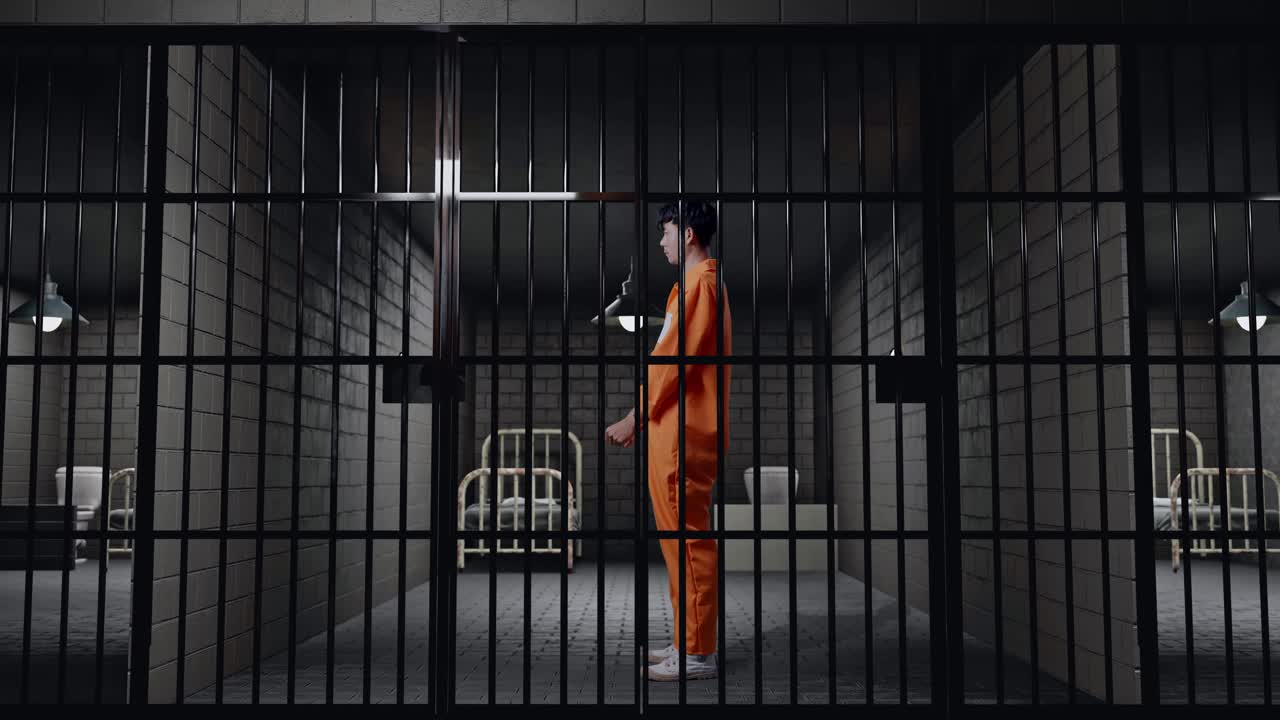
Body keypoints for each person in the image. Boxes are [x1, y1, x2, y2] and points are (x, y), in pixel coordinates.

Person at [605, 201, 731, 682]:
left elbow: (672, 364)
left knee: (688, 541)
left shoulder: (700, 285)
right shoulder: (693, 287)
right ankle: (686, 641)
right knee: (680, 543)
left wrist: (634, 417)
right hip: (676, 430)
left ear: (690, 234)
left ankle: (697, 654)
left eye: (666, 231)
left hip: (682, 433)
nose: (661, 242)